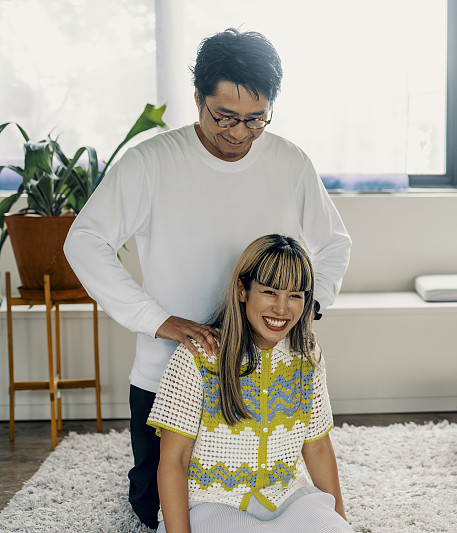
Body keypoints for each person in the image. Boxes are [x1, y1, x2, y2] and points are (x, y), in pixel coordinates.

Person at [63, 29, 351, 529]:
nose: (240, 133)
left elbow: (334, 244)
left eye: (256, 119)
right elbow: (84, 241)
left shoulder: (290, 162)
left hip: (260, 373)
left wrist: (306, 310)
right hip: (169, 374)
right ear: (197, 97)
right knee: (154, 509)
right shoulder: (151, 162)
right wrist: (158, 320)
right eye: (225, 117)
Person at [147, 234, 352, 533]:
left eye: (295, 295)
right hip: (210, 505)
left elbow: (318, 445)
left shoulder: (306, 356)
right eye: (270, 292)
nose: (282, 309)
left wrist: (340, 520)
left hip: (287, 498)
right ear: (242, 290)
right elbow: (174, 460)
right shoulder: (198, 355)